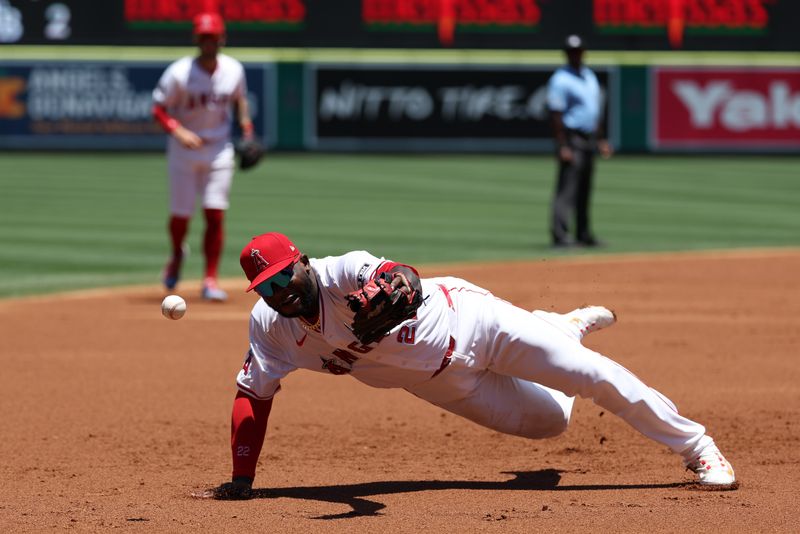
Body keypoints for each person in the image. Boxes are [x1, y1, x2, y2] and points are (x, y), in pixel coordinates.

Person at [208, 231, 736, 499]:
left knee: (592, 375)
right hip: (443, 386)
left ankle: (698, 449)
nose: (279, 293)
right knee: (552, 423)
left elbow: (402, 278)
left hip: (479, 323)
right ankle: (561, 327)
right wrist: (241, 477)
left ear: (301, 261)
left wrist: (390, 289)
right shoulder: (271, 328)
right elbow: (253, 395)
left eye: (283, 278)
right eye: (266, 287)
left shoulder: (341, 272)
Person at [152, 11, 253, 301]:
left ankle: (210, 279)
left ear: (222, 38)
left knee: (215, 213)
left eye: (213, 37)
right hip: (184, 150)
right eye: (204, 37)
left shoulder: (233, 70)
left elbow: (240, 101)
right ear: (196, 39)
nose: (209, 42)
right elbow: (158, 108)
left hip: (219, 149)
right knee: (181, 217)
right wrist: (177, 130)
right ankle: (176, 254)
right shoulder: (179, 73)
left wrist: (247, 129)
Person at [546, 34, 613, 248]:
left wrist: (601, 139)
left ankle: (583, 233)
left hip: (589, 138)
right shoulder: (560, 79)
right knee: (567, 189)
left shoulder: (589, 76)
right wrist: (562, 145)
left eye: (578, 51)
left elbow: (593, 111)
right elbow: (556, 114)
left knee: (585, 188)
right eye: (572, 51)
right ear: (566, 54)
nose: (576, 55)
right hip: (572, 137)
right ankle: (560, 235)